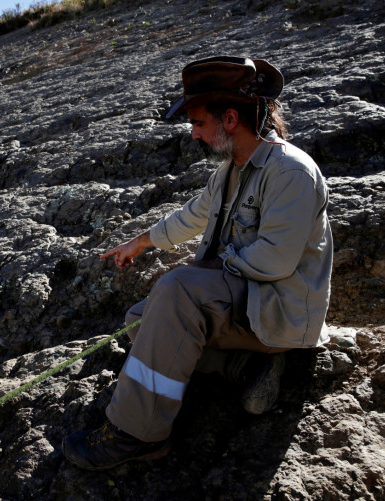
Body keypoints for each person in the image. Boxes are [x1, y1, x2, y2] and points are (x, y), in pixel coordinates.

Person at [62, 56, 334, 470]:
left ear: (229, 119)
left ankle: (137, 434)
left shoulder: (290, 172)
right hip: (248, 311)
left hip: (280, 312)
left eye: (198, 123)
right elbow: (190, 216)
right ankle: (244, 366)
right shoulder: (229, 172)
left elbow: (275, 260)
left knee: (176, 292)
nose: (194, 134)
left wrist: (200, 274)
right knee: (141, 320)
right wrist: (138, 242)